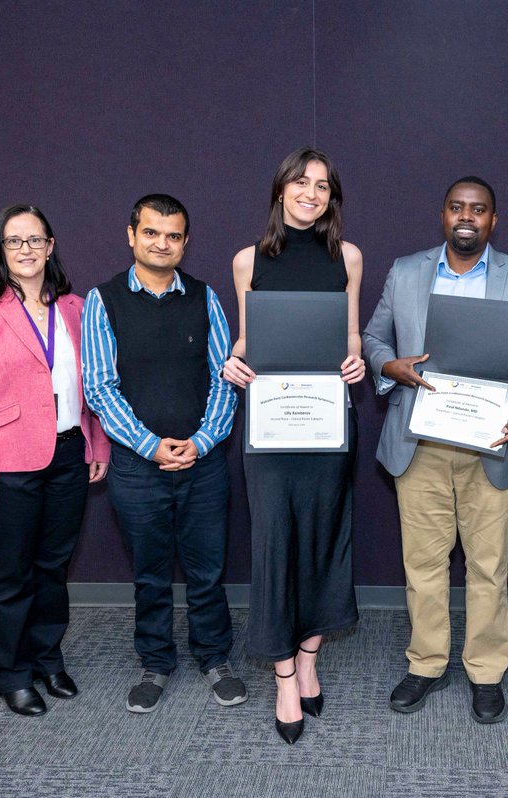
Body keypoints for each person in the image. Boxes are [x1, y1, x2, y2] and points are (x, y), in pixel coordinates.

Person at [363, 177, 508, 724]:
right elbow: (375, 339)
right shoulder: (405, 272)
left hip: (492, 446)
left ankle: (486, 671)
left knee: (487, 567)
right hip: (419, 442)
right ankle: (426, 663)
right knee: (422, 563)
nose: (466, 216)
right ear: (442, 215)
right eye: (456, 207)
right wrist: (388, 366)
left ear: (494, 221)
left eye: (479, 209)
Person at [222, 148, 365, 744]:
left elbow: (351, 332)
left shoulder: (347, 256)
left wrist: (356, 359)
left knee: (326, 535)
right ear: (280, 190)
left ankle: (309, 655)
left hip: (328, 423)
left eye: (323, 185)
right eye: (300, 182)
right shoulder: (248, 260)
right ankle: (283, 673)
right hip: (272, 427)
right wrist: (233, 360)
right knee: (275, 539)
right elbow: (248, 339)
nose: (311, 192)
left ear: (333, 196)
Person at [82, 194, 245, 714]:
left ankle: (215, 658)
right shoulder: (102, 300)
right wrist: (152, 446)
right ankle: (155, 664)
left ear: (185, 243)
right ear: (131, 234)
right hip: (136, 466)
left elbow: (226, 377)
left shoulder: (206, 297)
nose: (162, 243)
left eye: (173, 236)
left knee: (207, 572)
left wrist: (201, 440)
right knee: (150, 574)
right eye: (151, 233)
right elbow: (100, 387)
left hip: (204, 461)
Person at [0, 203, 110, 716]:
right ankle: (12, 674)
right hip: (7, 463)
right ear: (0, 249)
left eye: (35, 240)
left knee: (52, 568)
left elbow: (94, 385)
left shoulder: (76, 308)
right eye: (14, 241)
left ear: (51, 246)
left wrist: (96, 442)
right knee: (9, 575)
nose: (26, 250)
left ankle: (47, 659)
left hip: (67, 454)